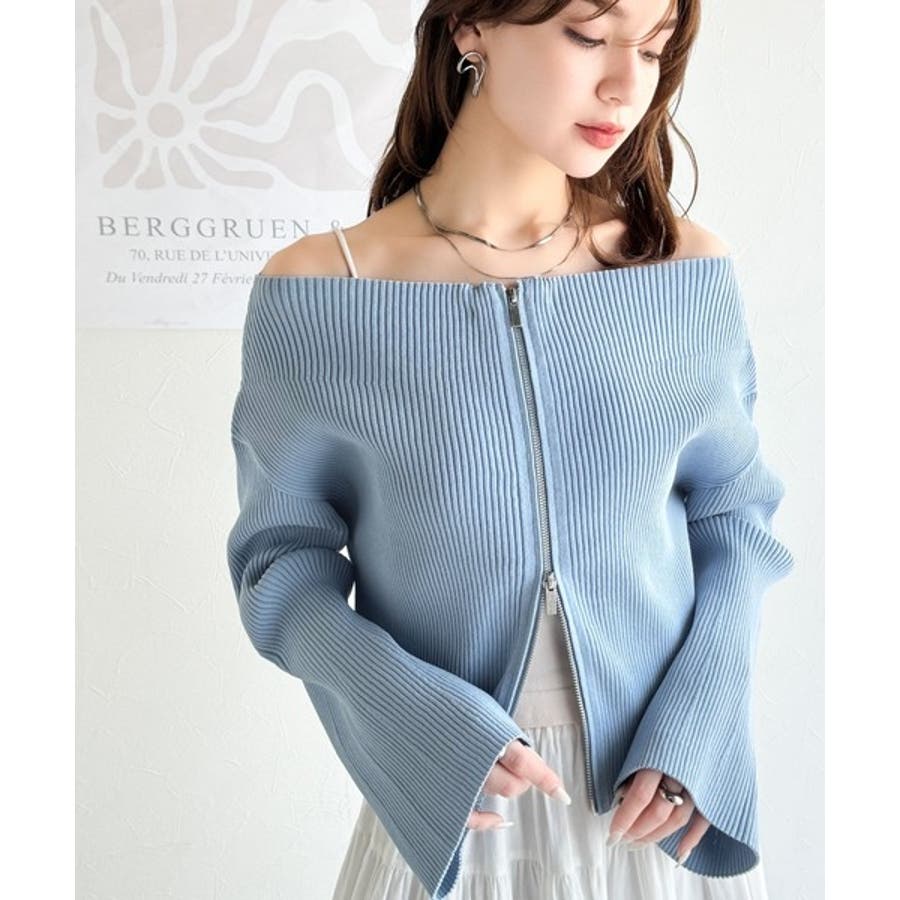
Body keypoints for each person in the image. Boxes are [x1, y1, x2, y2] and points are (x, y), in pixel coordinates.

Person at [226, 1, 795, 898]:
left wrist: (698, 726)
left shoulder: (681, 270)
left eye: (653, 51)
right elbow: (280, 566)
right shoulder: (321, 291)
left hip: (653, 815)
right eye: (587, 36)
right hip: (453, 813)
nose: (627, 85)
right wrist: (417, 721)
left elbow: (735, 519)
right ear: (471, 27)